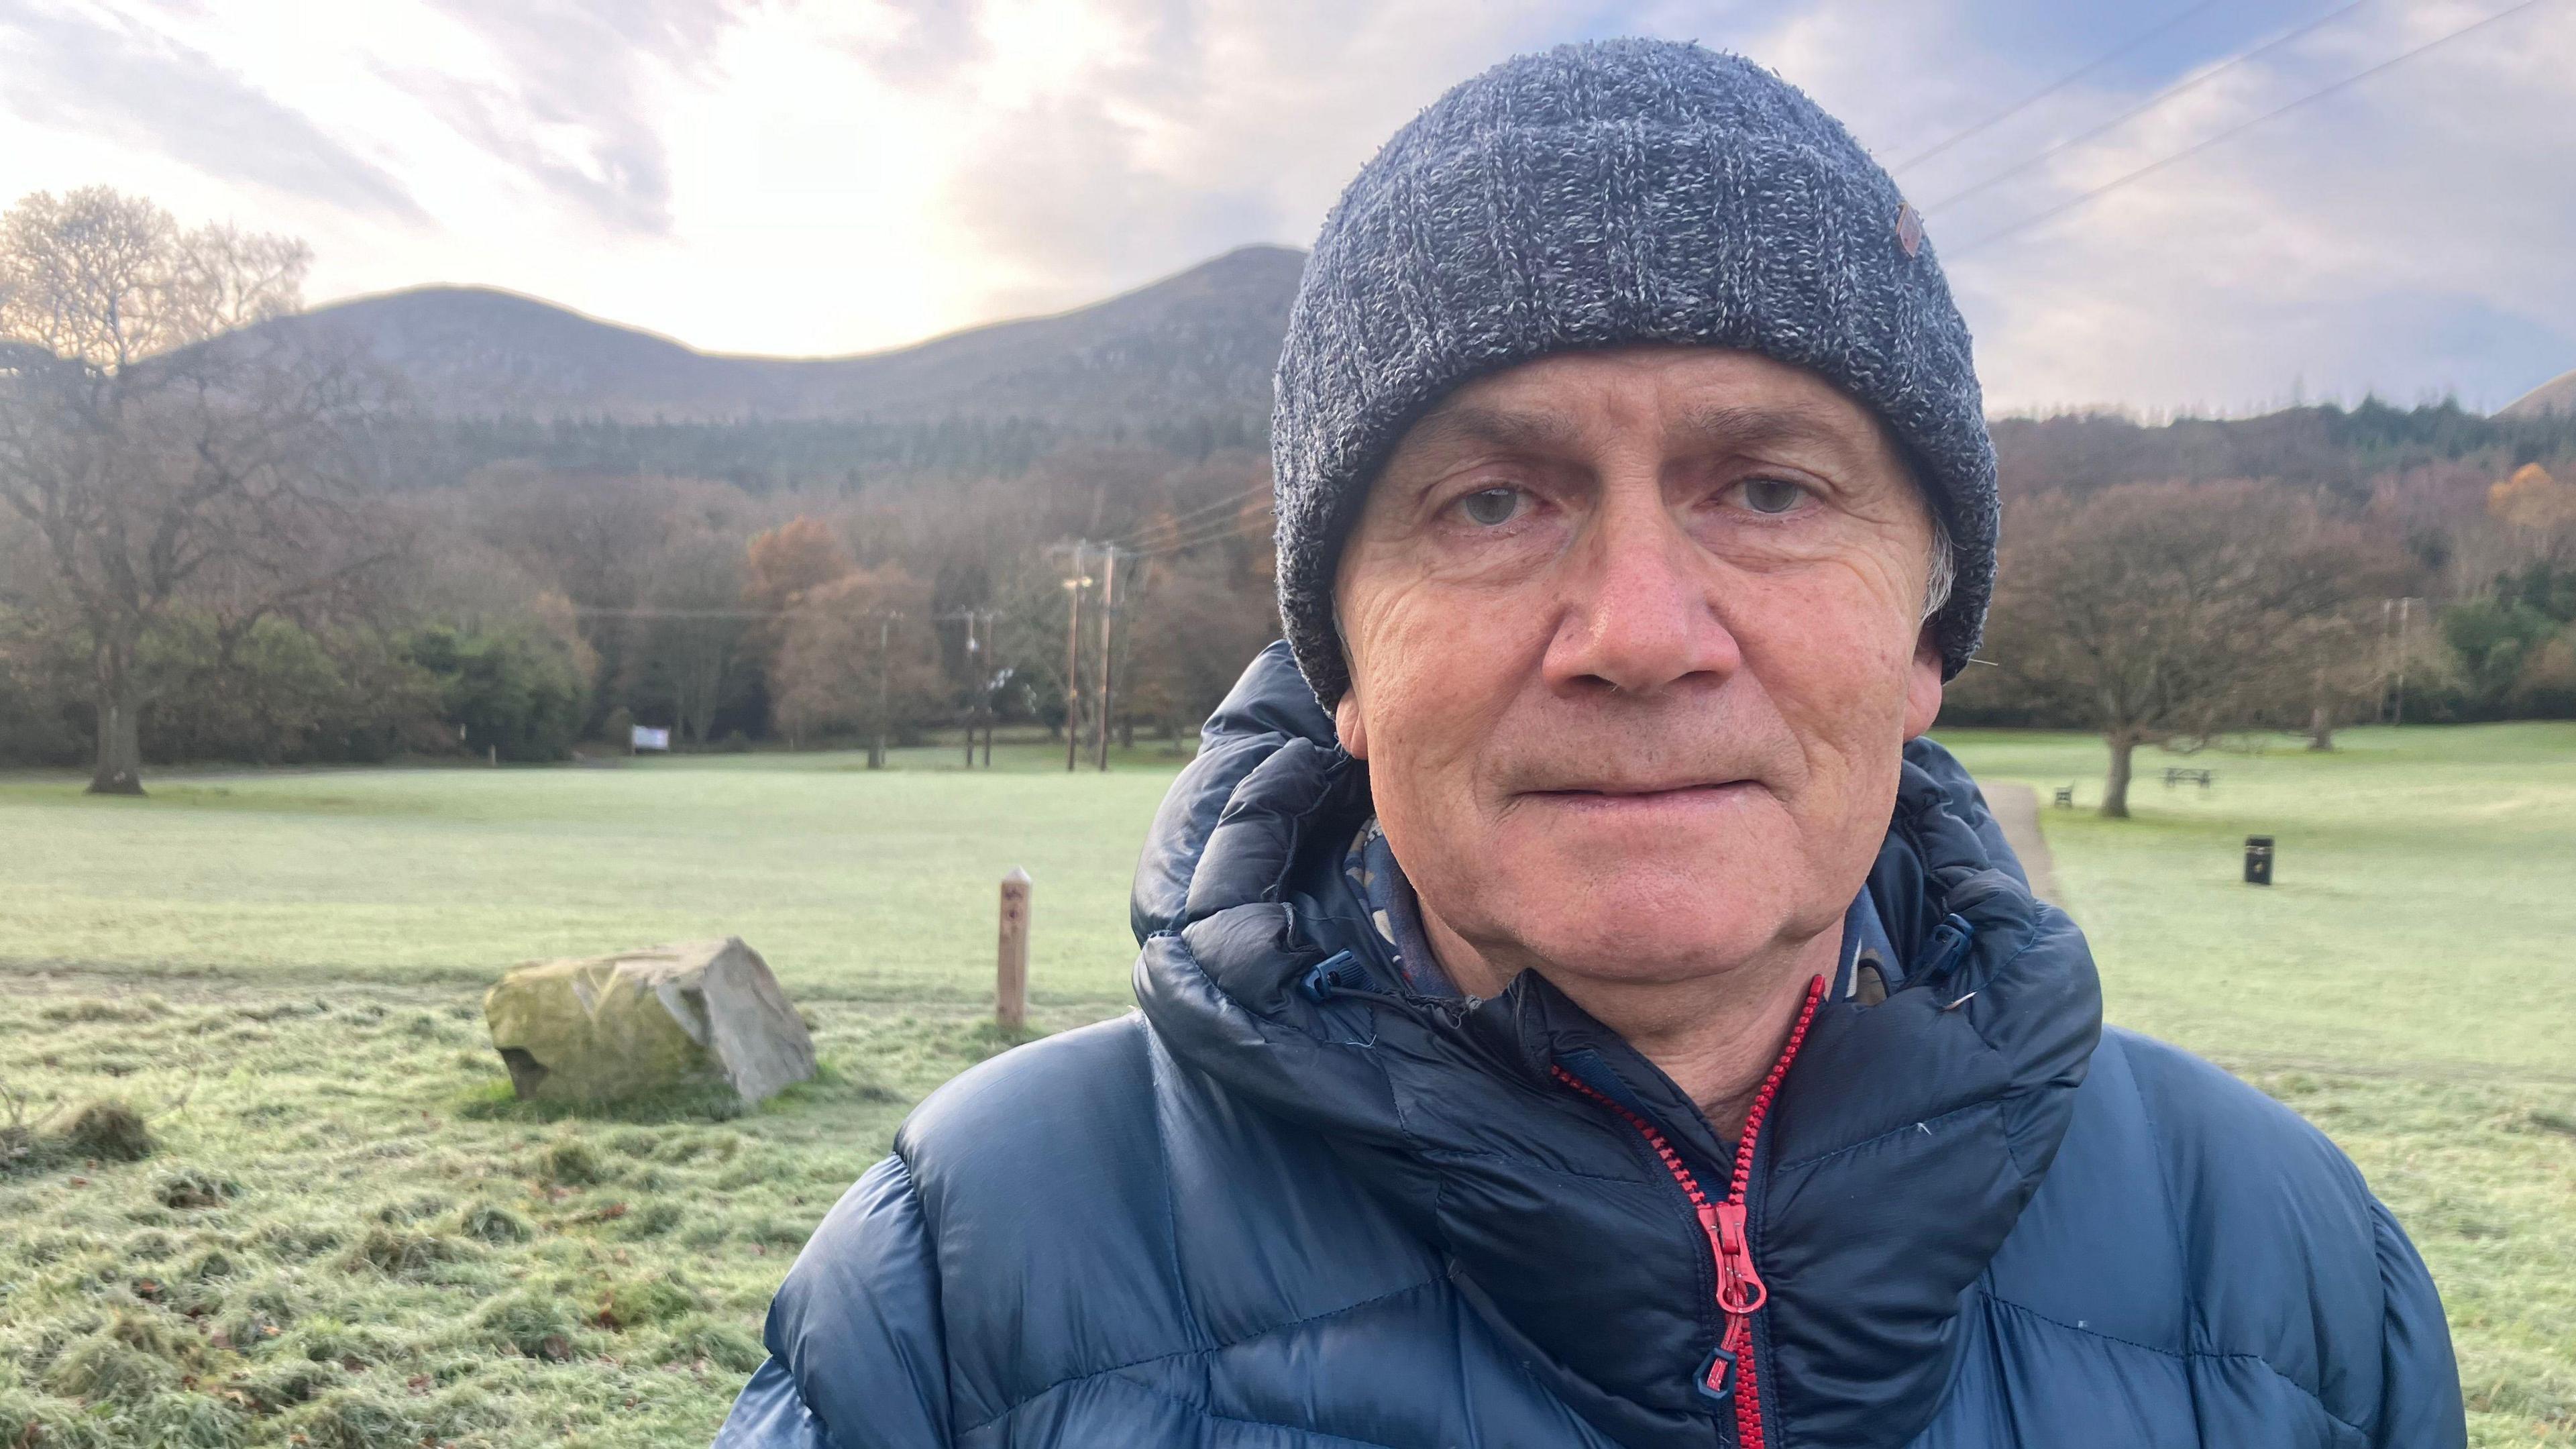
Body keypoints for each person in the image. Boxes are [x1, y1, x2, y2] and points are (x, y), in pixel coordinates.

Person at [715, 39, 2463, 1448]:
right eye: (1491, 501)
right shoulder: (965, 1280)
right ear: (1344, 663)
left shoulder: (2292, 1277)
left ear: (1927, 636)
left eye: (1768, 488)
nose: (1637, 630)